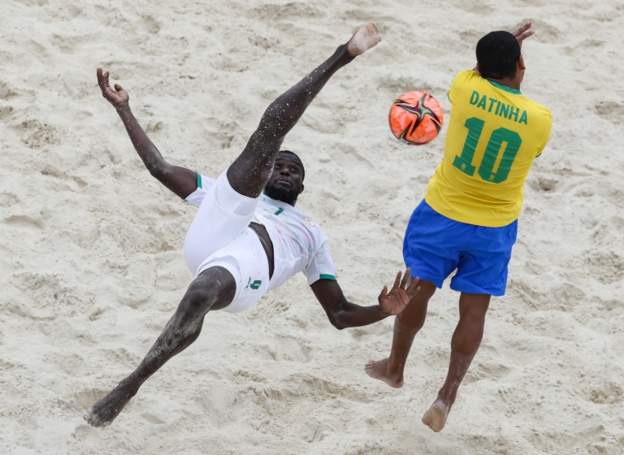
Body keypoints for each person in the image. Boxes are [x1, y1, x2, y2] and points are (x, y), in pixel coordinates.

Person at [87, 23, 420, 427]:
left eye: (291, 169)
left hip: (249, 266)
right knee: (267, 137)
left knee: (203, 292)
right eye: (278, 165)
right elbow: (158, 167)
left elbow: (339, 313)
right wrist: (125, 109)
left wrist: (381, 312)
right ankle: (342, 54)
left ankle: (131, 384)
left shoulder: (311, 233)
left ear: (302, 184)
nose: (283, 170)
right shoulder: (237, 190)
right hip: (219, 227)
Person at [366, 22, 552, 432]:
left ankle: (395, 367)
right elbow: (532, 152)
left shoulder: (465, 89)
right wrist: (512, 52)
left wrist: (501, 49)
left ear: (481, 67)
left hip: (443, 214)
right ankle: (447, 394)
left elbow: (476, 71)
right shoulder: (540, 118)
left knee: (417, 287)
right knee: (474, 309)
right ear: (520, 64)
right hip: (494, 226)